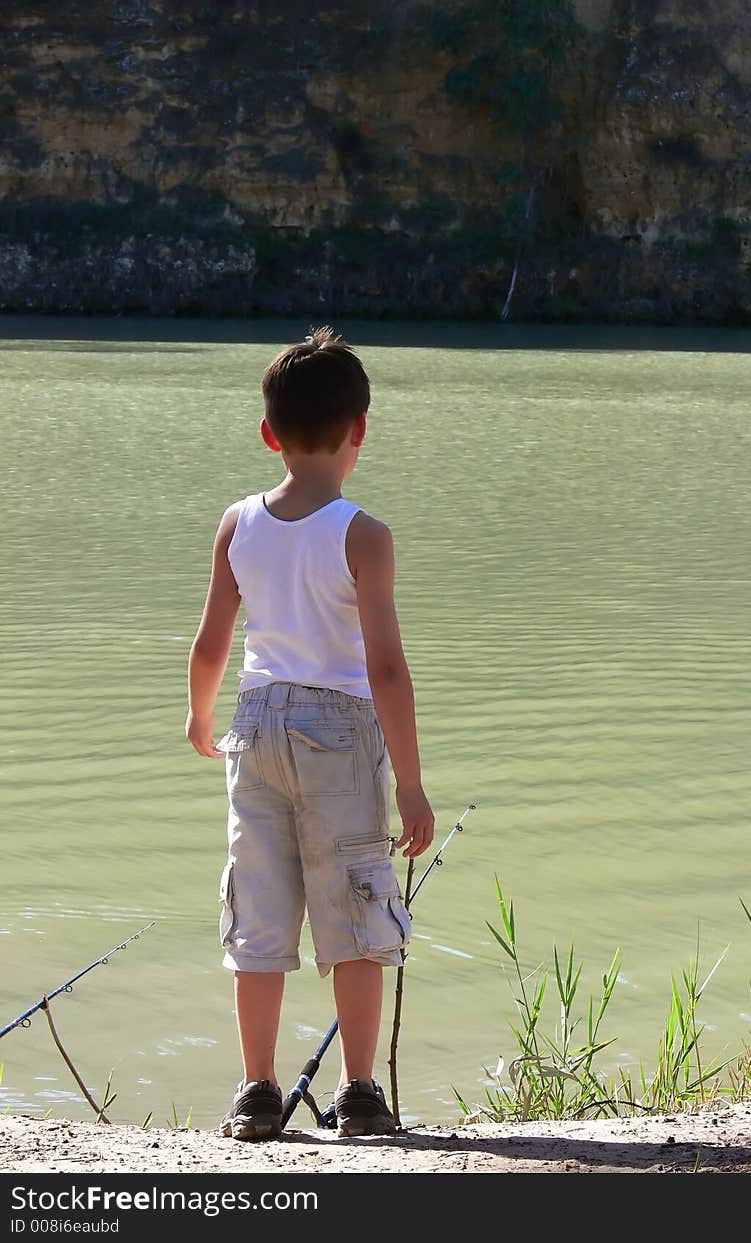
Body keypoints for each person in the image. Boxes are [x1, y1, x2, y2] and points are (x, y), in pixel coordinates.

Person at [185, 326, 435, 1140]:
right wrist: (410, 781)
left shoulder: (236, 523)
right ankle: (361, 1094)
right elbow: (388, 669)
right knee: (356, 908)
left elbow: (212, 641)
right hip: (339, 728)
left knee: (258, 913)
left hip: (253, 725)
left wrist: (200, 714)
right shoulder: (364, 534)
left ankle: (256, 1091)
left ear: (268, 434)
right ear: (361, 429)